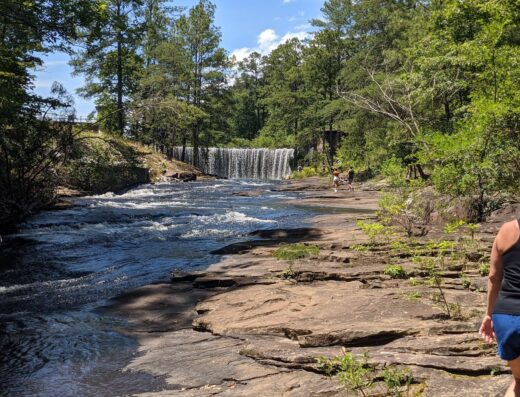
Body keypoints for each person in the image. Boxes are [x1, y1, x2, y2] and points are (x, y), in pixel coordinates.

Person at [480, 219, 520, 396]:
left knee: (519, 381)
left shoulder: (508, 229)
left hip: (506, 317)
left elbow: (494, 276)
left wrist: (489, 314)